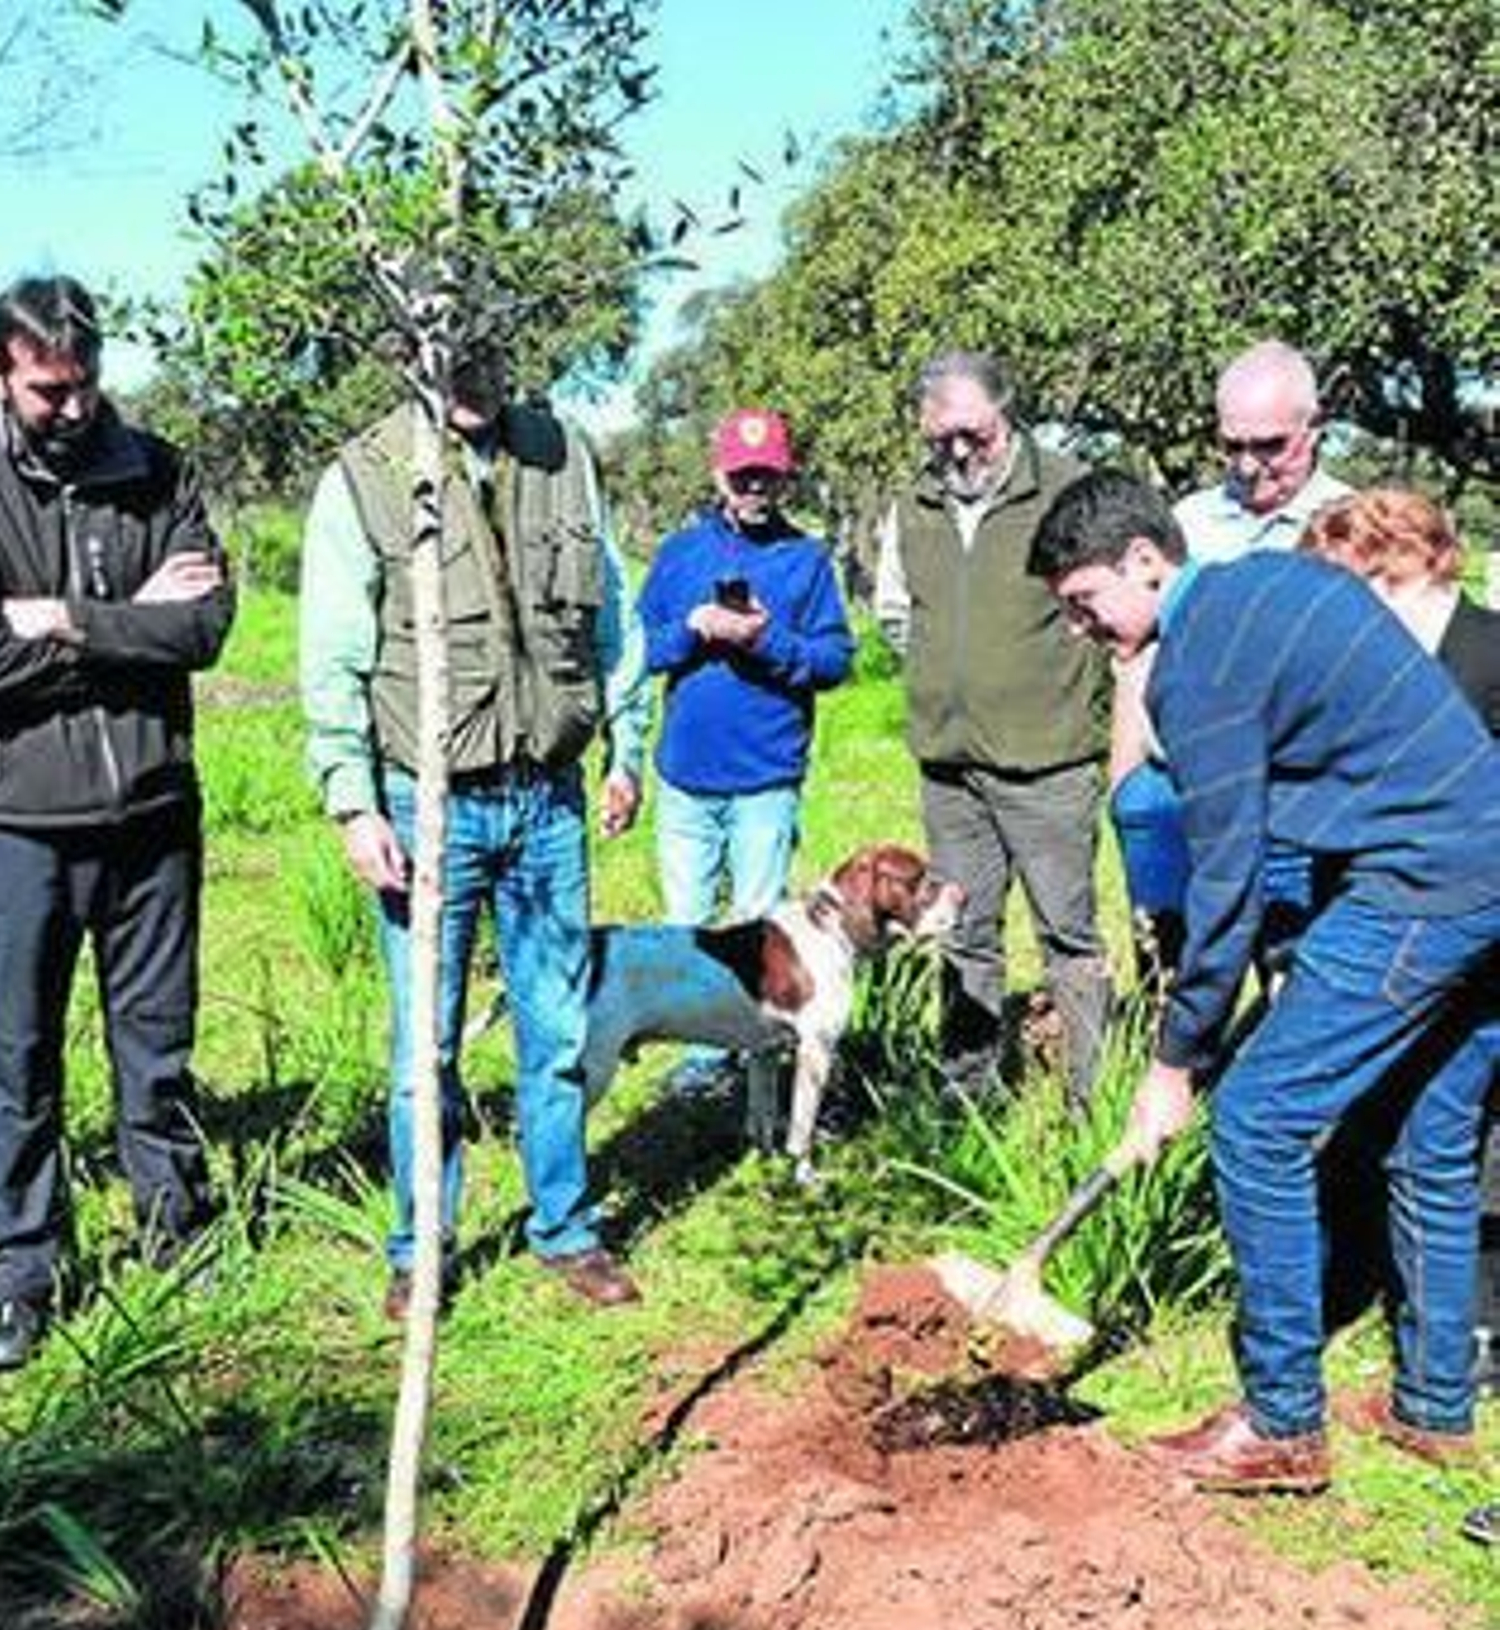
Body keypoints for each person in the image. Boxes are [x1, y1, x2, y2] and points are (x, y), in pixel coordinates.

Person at [1028, 469, 1500, 1494]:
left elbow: (1225, 880)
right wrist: (1289, 962)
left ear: (1145, 562)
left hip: (1426, 884)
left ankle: (1281, 1424)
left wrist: (1176, 1060)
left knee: (1256, 1122)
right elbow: (1323, 781)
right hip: (1484, 859)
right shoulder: (1279, 587)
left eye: (1084, 603)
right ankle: (1433, 1405)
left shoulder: (1194, 666)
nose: (1080, 630)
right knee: (1427, 1131)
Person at [0, 274, 233, 1373]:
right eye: (48, 389)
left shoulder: (152, 466)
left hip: (151, 810)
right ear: (1, 375)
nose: (72, 406)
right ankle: (18, 1273)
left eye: (85, 382)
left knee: (156, 1047)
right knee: (20, 1058)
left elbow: (205, 627)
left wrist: (69, 619)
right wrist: (132, 624)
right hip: (14, 824)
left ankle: (176, 1229)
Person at [300, 346, 650, 1315]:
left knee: (559, 1029)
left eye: (485, 353)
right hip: (428, 802)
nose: (467, 375)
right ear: (408, 349)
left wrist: (626, 744)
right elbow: (332, 651)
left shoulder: (562, 453)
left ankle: (565, 1228)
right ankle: (420, 1249)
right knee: (426, 1048)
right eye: (444, 353)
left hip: (549, 798)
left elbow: (611, 614)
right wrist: (354, 799)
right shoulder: (364, 476)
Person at [1299, 487, 1500, 1403]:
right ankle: (1432, 1362)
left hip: (1478, 940)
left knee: (1457, 1151)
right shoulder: (1373, 671)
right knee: (1414, 1143)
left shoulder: (1487, 652)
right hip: (1396, 937)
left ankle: (1464, 1344)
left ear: (1397, 568)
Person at [875, 349, 1110, 1101]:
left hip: (1050, 760)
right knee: (963, 931)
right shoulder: (914, 502)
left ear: (1007, 414)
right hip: (950, 765)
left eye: (971, 432)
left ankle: (1090, 1102)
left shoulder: (1071, 489)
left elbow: (1120, 611)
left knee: (1067, 937)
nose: (957, 449)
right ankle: (966, 1091)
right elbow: (894, 612)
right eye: (940, 437)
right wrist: (952, 677)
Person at [1110, 341, 1353, 985]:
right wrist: (1125, 780)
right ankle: (1181, 1082)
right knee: (1172, 973)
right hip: (1172, 796)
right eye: (1231, 445)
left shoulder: (1354, 527)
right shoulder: (1187, 523)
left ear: (1314, 430)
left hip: (1290, 796)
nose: (1248, 465)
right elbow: (1139, 654)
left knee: (1292, 973)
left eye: (1269, 445)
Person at [637, 407, 853, 1084]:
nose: (755, 488)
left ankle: (756, 1059)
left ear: (784, 480)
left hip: (766, 774)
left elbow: (835, 660)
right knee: (688, 925)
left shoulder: (806, 559)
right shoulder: (680, 555)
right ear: (718, 474)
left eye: (768, 477)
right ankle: (703, 1058)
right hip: (685, 776)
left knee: (758, 927)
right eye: (743, 476)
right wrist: (694, 629)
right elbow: (637, 648)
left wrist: (765, 642)